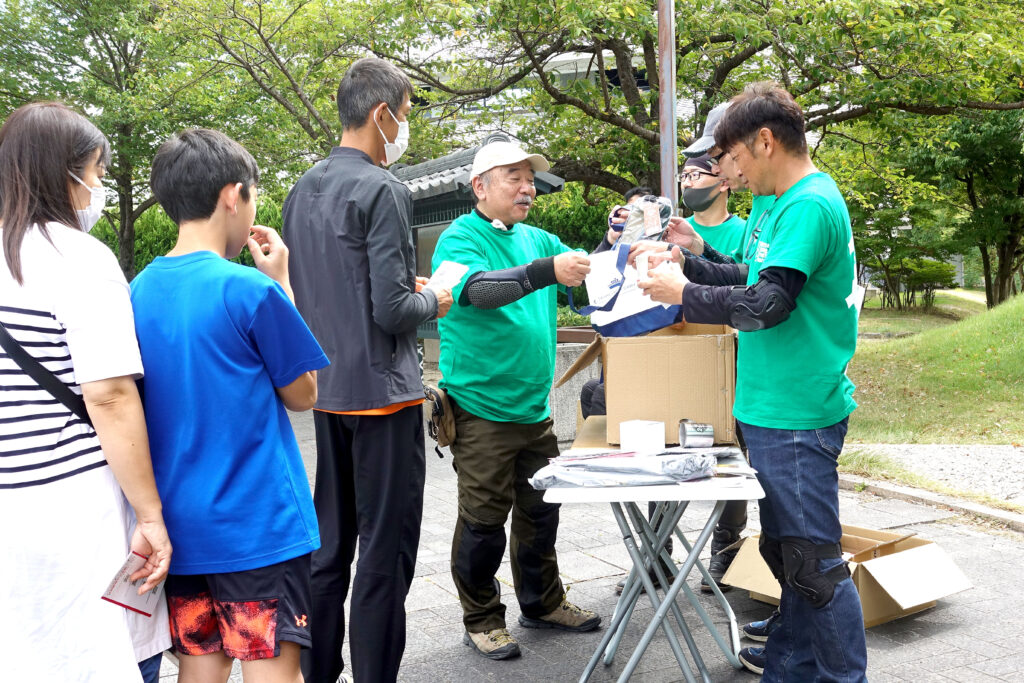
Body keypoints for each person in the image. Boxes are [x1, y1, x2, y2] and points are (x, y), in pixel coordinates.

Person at [637, 82, 867, 682]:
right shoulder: (778, 200)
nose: (726, 173)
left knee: (813, 564)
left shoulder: (809, 204)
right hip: (768, 404)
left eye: (731, 157)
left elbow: (768, 303)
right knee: (787, 553)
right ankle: (791, 667)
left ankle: (846, 676)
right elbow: (754, 274)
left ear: (765, 141)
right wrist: (693, 260)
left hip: (798, 410)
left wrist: (684, 294)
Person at [131, 128, 328, 683]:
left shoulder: (137, 290)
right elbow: (303, 393)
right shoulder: (251, 290)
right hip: (259, 528)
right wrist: (282, 280)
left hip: (182, 529)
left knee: (200, 669)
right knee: (270, 671)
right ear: (231, 195)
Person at [281, 56, 453, 683]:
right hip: (383, 397)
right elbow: (391, 310)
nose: (404, 129)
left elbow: (323, 286)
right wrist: (435, 297)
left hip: (328, 394)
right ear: (382, 115)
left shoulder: (303, 187)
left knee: (330, 553)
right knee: (384, 559)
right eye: (404, 116)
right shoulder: (385, 188)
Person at [0, 101, 171, 682]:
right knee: (108, 653)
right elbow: (110, 395)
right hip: (73, 506)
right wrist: (150, 515)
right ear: (64, 173)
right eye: (96, 171)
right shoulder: (76, 256)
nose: (97, 186)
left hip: (10, 508)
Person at [433, 139, 600, 660]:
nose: (527, 187)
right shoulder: (458, 238)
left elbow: (579, 266)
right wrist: (547, 270)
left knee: (541, 513)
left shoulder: (538, 237)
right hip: (481, 408)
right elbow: (478, 291)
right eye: (514, 176)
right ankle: (481, 618)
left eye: (530, 178)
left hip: (534, 408)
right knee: (484, 524)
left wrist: (618, 239)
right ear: (480, 186)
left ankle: (543, 602)